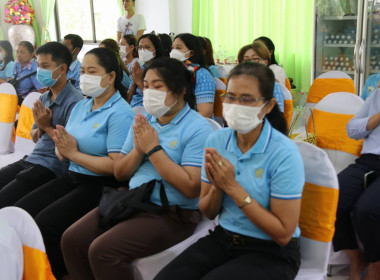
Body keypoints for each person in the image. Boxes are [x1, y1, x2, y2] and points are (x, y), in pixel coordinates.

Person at [61, 57, 213, 280]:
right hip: (132, 200)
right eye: (147, 85)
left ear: (180, 91)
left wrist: (153, 150)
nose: (150, 92)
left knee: (103, 251)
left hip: (171, 213)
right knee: (72, 240)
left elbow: (190, 188)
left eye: (158, 86)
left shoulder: (198, 128)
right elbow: (120, 172)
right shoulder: (146, 120)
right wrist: (138, 150)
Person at [154, 62, 304, 280]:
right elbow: (208, 211)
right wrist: (218, 186)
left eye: (246, 99)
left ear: (269, 105)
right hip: (224, 239)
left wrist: (233, 187)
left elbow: (282, 234)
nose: (235, 105)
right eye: (231, 97)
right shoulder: (217, 140)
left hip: (271, 251)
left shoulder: (283, 153)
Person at [8, 47, 135, 278]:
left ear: (111, 76)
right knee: (23, 212)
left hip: (99, 184)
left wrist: (73, 153)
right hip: (71, 175)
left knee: (45, 224)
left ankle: (56, 273)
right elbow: (62, 151)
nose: (85, 76)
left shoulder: (120, 113)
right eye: (84, 70)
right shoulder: (82, 106)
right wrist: (63, 148)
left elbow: (118, 168)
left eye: (92, 71)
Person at [0, 42, 83, 207]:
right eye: (38, 66)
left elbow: (68, 150)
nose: (40, 71)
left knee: (5, 200)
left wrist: (45, 127)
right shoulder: (44, 97)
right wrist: (40, 127)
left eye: (45, 66)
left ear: (62, 69)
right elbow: (34, 136)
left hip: (52, 165)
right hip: (31, 159)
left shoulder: (76, 102)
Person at [332, 88, 380, 280]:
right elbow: (352, 130)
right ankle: (356, 258)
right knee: (332, 199)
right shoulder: (377, 95)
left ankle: (376, 262)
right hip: (368, 161)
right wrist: (376, 117)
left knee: (367, 210)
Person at [170, 33, 216, 118]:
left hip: (195, 124)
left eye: (178, 48)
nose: (174, 51)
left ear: (191, 53)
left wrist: (178, 122)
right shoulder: (170, 72)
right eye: (173, 48)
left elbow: (205, 113)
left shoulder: (202, 74)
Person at [238, 42, 285, 113]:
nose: (251, 63)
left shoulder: (274, 87)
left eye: (256, 58)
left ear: (265, 61)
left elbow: (277, 119)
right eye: (246, 60)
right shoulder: (236, 86)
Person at [127, 33, 164, 107]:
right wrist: (135, 80)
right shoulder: (139, 66)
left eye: (147, 47)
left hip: (149, 108)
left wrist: (140, 82)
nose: (142, 50)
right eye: (140, 47)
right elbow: (128, 99)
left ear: (156, 49)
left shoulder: (161, 69)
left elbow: (155, 102)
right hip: (133, 107)